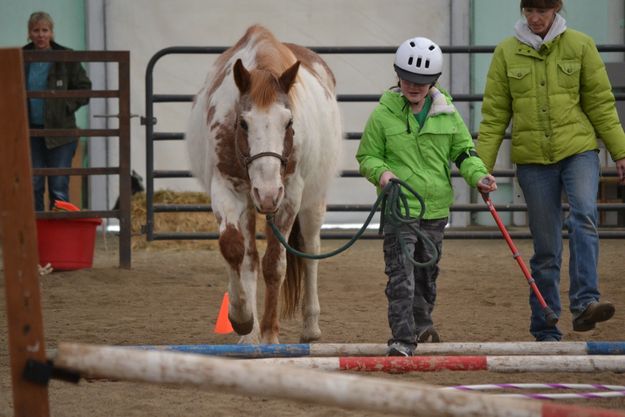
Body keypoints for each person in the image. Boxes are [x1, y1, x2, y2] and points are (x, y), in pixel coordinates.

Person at [477, 0, 625, 342]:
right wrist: (480, 168)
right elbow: (495, 115)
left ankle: (585, 303)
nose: (535, 18)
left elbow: (601, 103)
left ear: (556, 10)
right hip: (532, 161)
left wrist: (620, 150)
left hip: (578, 150)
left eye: (542, 11)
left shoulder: (581, 45)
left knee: (584, 216)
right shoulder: (505, 53)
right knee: (546, 247)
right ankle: (545, 323)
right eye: (529, 10)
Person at [356, 36, 497, 357]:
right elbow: (367, 156)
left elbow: (463, 152)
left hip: (435, 210)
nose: (414, 87)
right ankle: (402, 338)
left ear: (433, 81)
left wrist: (479, 176)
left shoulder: (447, 114)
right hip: (399, 209)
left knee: (426, 275)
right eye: (407, 80)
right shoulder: (382, 115)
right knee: (400, 275)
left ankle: (422, 323)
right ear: (398, 77)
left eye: (421, 82)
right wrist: (383, 174)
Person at [23, 11, 92, 211]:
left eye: (45, 30)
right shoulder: (20, 57)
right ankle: (36, 231)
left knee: (58, 186)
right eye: (36, 30)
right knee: (33, 184)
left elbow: (84, 89)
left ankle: (59, 234)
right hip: (30, 132)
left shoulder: (66, 57)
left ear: (52, 33)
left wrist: (64, 106)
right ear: (29, 33)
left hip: (61, 133)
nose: (40, 35)